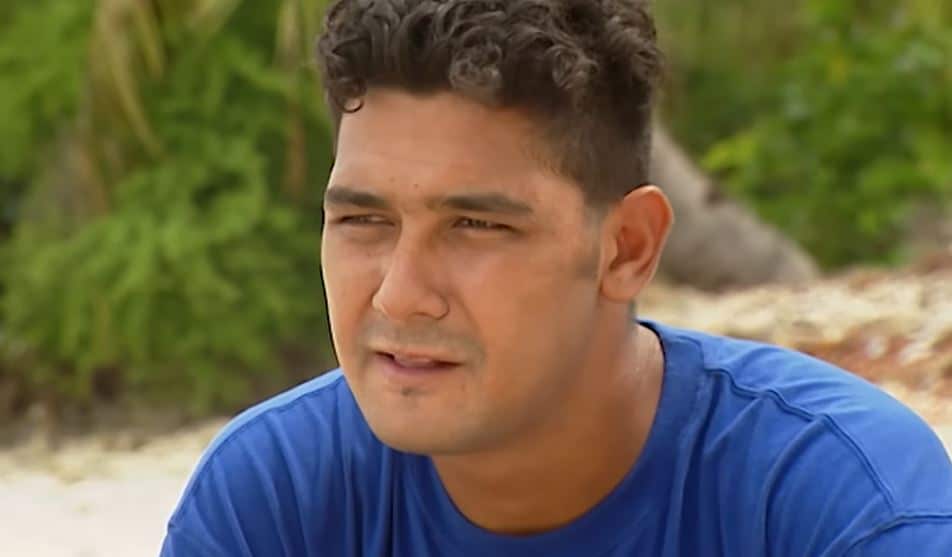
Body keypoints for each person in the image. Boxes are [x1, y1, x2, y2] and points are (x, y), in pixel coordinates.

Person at [160, 1, 952, 555]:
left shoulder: (840, 505)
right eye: (364, 220)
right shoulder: (276, 502)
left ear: (627, 249)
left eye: (477, 226)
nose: (399, 292)